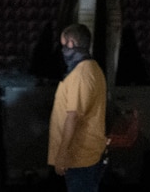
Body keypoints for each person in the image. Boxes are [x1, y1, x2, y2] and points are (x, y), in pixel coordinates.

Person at [48, 23, 109, 189]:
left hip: (79, 157)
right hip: (89, 153)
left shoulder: (79, 75)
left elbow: (72, 116)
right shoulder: (94, 68)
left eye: (63, 45)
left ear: (71, 43)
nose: (62, 51)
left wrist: (62, 155)